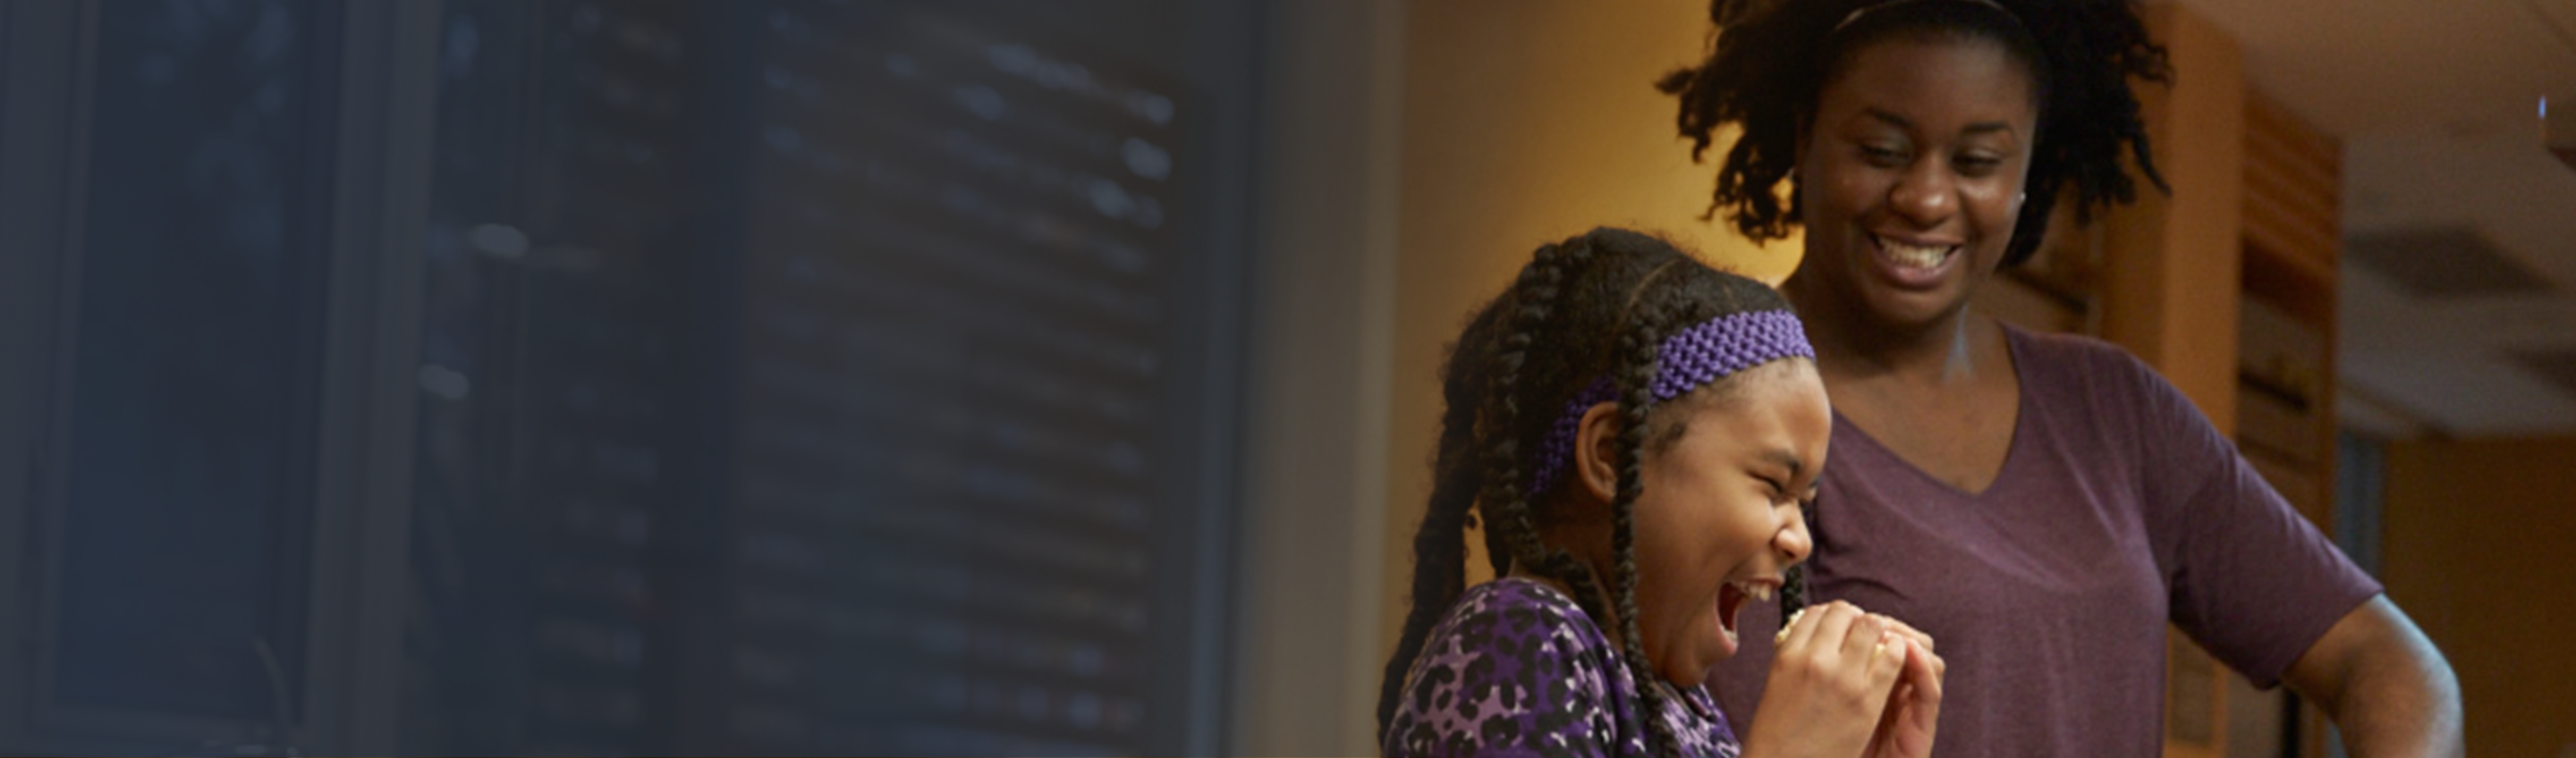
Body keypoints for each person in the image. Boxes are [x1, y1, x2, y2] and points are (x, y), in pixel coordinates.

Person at [1656, 0, 2464, 755]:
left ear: (2029, 172)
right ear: (1805, 135)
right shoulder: (1709, 397)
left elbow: (2387, 659)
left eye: (1977, 161)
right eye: (1881, 151)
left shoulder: (2116, 411)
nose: (1927, 197)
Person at [1376, 227, 1946, 758]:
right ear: (1612, 457)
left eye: (1804, 502)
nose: (1799, 540)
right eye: (1773, 486)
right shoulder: (1513, 641)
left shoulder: (1675, 700)